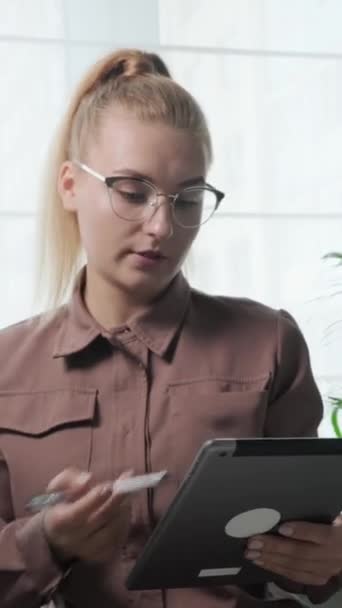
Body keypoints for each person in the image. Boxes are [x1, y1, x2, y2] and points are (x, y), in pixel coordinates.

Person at [0, 48, 341, 608]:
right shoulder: (9, 369)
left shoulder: (269, 344)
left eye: (187, 199)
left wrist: (330, 553)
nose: (161, 225)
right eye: (132, 192)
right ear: (70, 185)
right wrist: (48, 540)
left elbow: (311, 546)